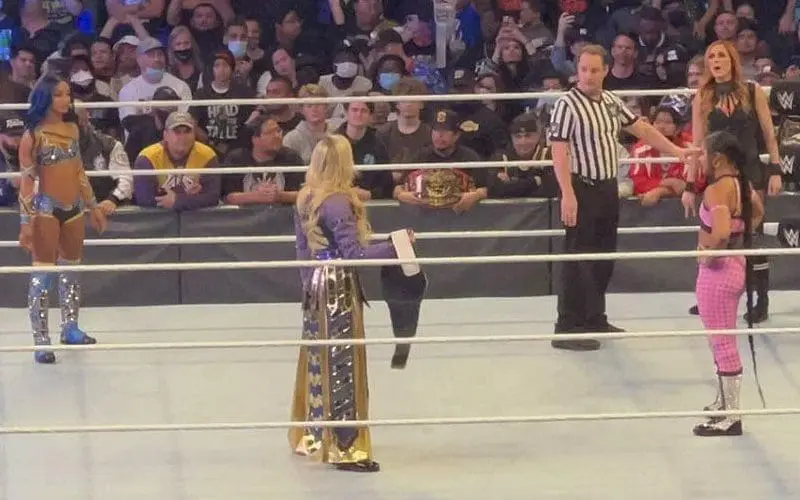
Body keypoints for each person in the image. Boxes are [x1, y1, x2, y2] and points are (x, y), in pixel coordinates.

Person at [549, 44, 697, 352]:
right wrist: (567, 193)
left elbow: (641, 128)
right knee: (578, 257)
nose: (588, 76)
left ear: (605, 70)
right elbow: (559, 150)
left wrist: (677, 151)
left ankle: (594, 317)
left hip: (607, 187)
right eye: (583, 69)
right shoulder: (567, 104)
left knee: (604, 255)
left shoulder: (611, 101)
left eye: (594, 70)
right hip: (581, 186)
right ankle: (566, 326)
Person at [290, 134, 411, 473]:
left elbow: (302, 248)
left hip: (315, 283)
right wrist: (397, 246)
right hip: (337, 287)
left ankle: (314, 435)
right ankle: (345, 447)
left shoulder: (305, 197)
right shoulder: (338, 201)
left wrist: (309, 284)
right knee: (342, 362)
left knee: (319, 358)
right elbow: (354, 254)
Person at [682, 40, 782, 323]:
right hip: (716, 175)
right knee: (712, 231)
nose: (715, 60)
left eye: (721, 56)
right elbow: (697, 143)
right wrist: (690, 184)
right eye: (711, 56)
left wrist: (776, 169)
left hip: (750, 171)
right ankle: (708, 293)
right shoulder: (703, 96)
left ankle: (760, 300)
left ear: (732, 60)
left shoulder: (752, 91)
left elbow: (769, 133)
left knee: (752, 235)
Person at [17, 74, 108, 364]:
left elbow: (79, 171)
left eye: (68, 93)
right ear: (45, 97)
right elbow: (27, 182)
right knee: (43, 274)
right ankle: (41, 339)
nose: (66, 99)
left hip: (74, 208)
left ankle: (70, 327)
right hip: (45, 210)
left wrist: (93, 206)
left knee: (72, 269)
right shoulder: (33, 136)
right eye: (58, 94)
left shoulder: (72, 129)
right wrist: (25, 223)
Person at [693, 131, 764, 437]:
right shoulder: (742, 184)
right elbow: (758, 213)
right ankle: (724, 402)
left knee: (722, 341)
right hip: (736, 266)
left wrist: (708, 253)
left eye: (704, 153)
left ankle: (731, 416)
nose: (701, 159)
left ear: (717, 159)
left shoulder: (717, 189)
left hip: (719, 272)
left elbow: (720, 232)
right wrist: (738, 238)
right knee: (719, 338)